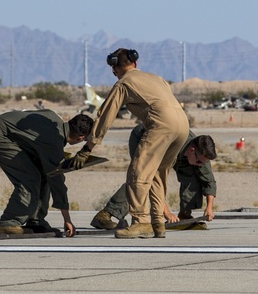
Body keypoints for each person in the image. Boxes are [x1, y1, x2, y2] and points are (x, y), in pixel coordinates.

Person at [69, 48, 189, 239]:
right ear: (135, 63)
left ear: (114, 69)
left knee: (138, 172)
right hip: (183, 125)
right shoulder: (156, 78)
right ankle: (158, 223)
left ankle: (141, 222)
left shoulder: (123, 83)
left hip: (161, 125)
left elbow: (105, 117)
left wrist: (87, 148)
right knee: (157, 174)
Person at [0, 110, 94, 237]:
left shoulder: (54, 120)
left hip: (7, 132)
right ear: (81, 138)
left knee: (43, 172)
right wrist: (67, 219)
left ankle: (36, 221)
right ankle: (8, 223)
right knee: (30, 178)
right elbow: (57, 181)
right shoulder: (54, 141)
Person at [91, 124, 217, 230]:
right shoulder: (169, 146)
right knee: (141, 179)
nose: (200, 164)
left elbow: (208, 179)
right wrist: (166, 212)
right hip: (145, 138)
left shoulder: (200, 151)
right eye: (199, 161)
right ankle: (105, 215)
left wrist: (209, 208)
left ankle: (185, 215)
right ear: (192, 150)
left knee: (193, 174)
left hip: (174, 146)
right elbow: (154, 179)